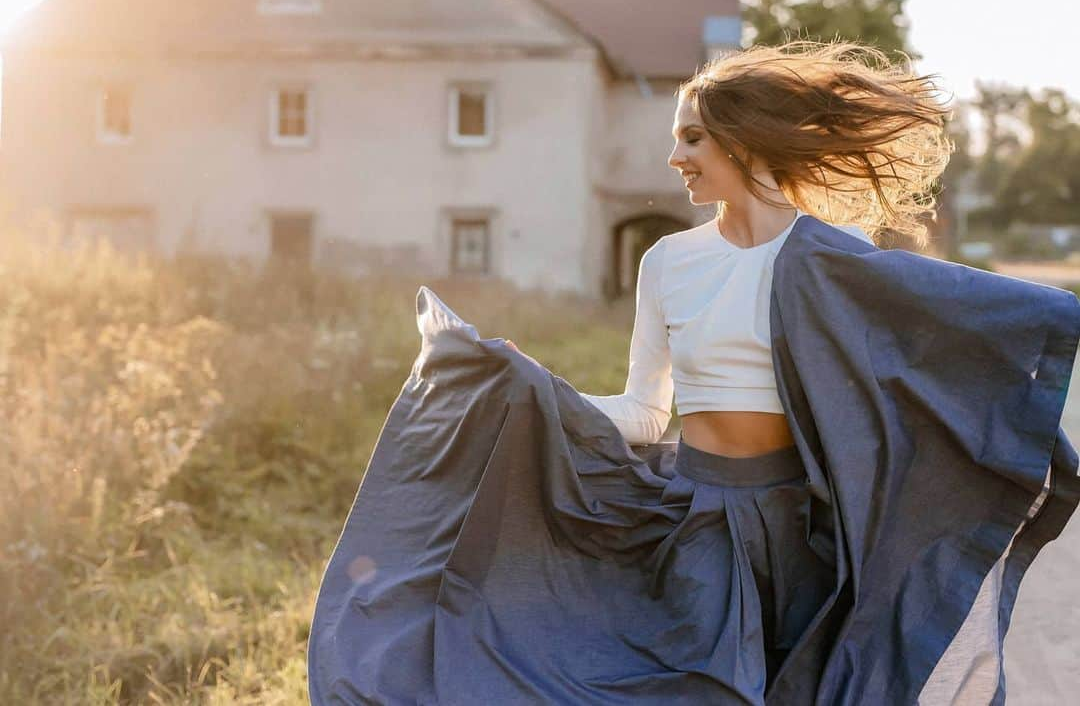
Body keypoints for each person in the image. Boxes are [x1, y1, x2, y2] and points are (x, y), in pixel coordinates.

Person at [309, 40, 1079, 705]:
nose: (673, 158)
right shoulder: (669, 264)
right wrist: (538, 389)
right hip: (701, 524)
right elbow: (647, 415)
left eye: (691, 138)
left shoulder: (828, 259)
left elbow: (983, 320)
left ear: (742, 144)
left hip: (804, 530)